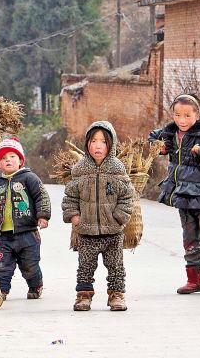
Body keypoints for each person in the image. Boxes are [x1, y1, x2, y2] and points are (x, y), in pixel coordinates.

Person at [149, 93, 200, 295]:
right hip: (183, 194)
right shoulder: (170, 133)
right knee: (190, 239)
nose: (182, 120)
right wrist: (161, 147)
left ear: (198, 115)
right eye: (177, 115)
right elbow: (152, 136)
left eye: (187, 115)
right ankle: (194, 279)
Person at [62, 121, 134, 311]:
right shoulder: (80, 169)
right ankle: (84, 296)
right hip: (86, 231)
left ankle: (116, 295)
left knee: (116, 266)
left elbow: (128, 196)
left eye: (103, 141)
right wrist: (74, 216)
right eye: (93, 141)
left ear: (111, 145)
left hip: (113, 232)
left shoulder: (117, 169)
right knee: (85, 267)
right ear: (87, 144)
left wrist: (119, 217)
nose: (98, 145)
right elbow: (70, 196)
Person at [0, 137, 51, 300]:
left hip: (27, 234)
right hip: (3, 237)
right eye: (3, 158)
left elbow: (41, 196)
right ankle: (0, 291)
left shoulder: (29, 178)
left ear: (20, 160)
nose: (8, 160)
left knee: (30, 266)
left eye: (12, 156)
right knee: (1, 267)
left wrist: (43, 216)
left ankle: (35, 285)